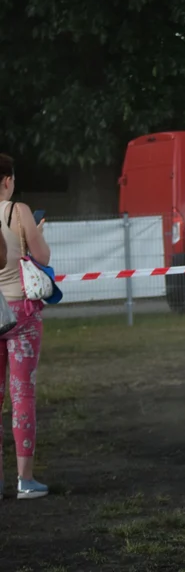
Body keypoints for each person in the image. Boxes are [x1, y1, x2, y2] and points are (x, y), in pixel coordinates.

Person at [0, 154, 51, 499]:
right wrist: (38, 233)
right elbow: (42, 257)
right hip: (20, 313)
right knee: (22, 395)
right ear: (7, 180)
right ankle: (25, 480)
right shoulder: (18, 211)